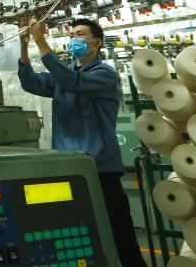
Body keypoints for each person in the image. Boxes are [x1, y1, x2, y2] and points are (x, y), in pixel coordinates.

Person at [17, 17, 147, 267]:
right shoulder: (63, 75)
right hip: (66, 168)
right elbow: (30, 82)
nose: (73, 39)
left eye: (79, 34)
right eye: (71, 35)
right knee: (78, 237)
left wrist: (40, 40)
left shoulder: (104, 75)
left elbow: (71, 82)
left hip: (99, 171)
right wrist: (24, 47)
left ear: (96, 42)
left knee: (120, 237)